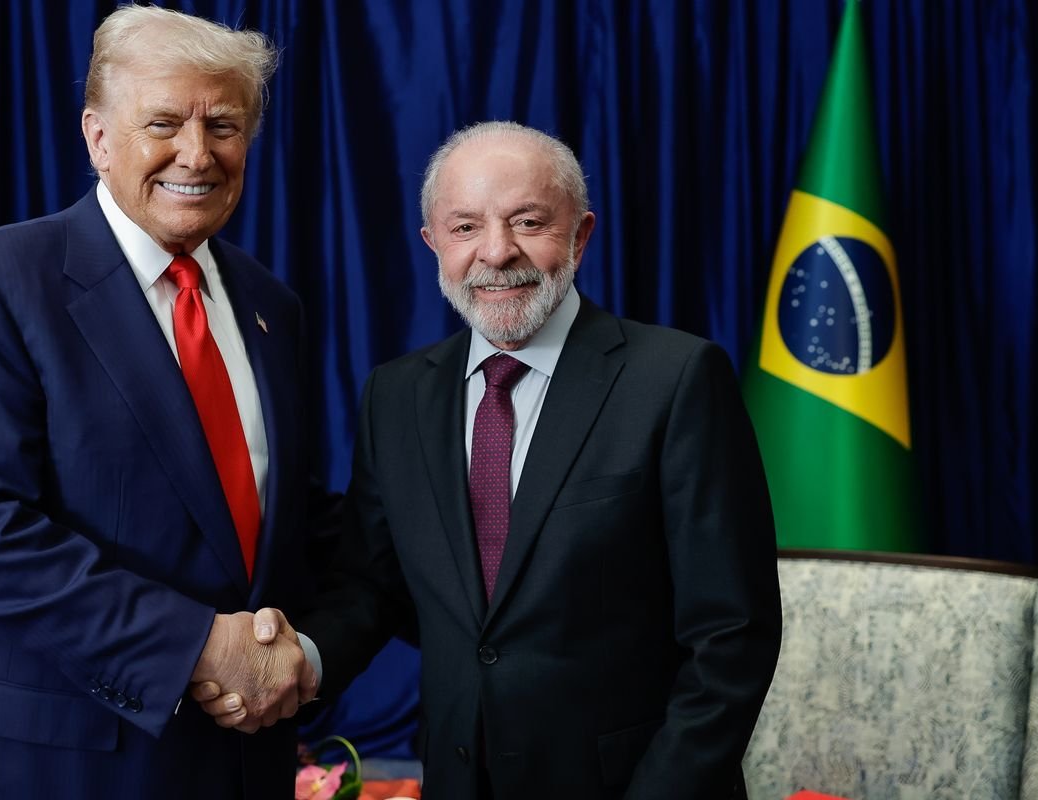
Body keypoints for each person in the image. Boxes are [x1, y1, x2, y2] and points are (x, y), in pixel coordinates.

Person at [198, 121, 782, 798]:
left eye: (528, 221)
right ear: (434, 244)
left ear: (580, 236)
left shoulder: (676, 379)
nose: (497, 252)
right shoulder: (397, 396)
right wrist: (300, 659)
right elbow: (370, 585)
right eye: (466, 227)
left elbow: (732, 636)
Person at [0, 6, 323, 798]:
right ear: (97, 138)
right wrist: (201, 646)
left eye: (223, 126)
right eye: (163, 123)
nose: (197, 153)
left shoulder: (272, 307)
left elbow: (281, 532)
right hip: (51, 766)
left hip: (235, 766)